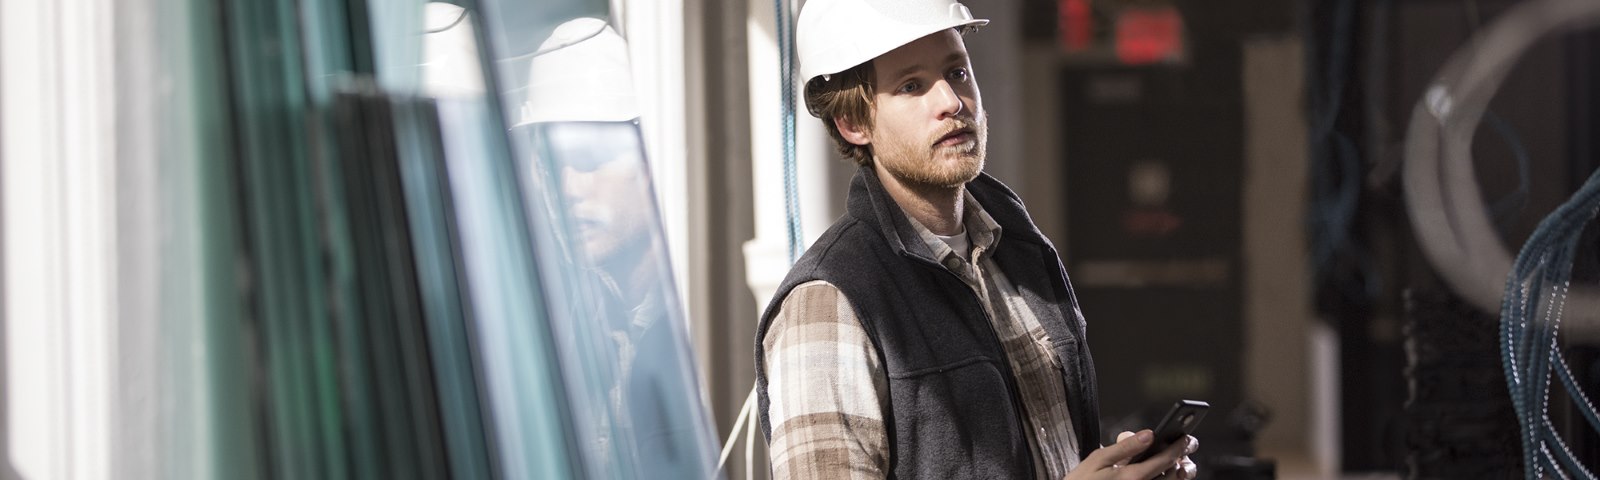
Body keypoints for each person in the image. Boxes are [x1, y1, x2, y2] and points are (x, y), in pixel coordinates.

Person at [753, 1, 1199, 478]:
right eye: (911, 85)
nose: (950, 100)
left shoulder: (1019, 253)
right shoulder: (827, 304)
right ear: (853, 124)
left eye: (958, 72)